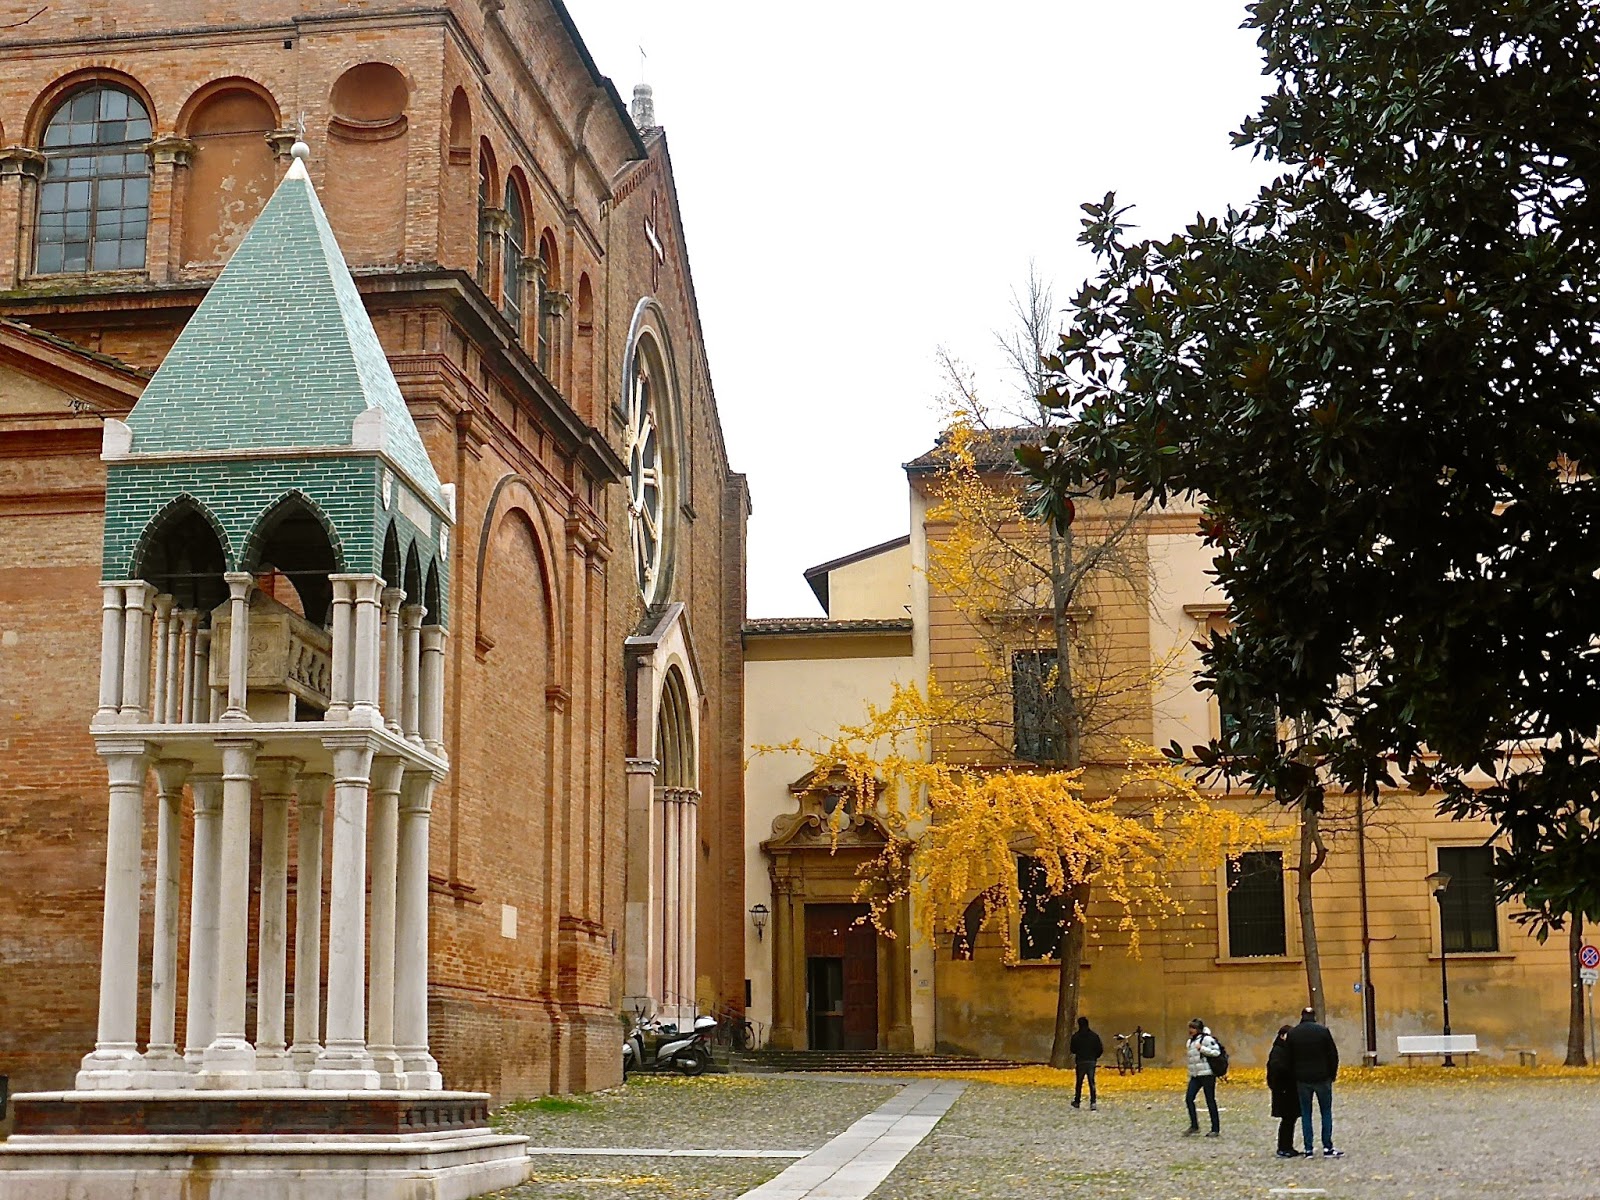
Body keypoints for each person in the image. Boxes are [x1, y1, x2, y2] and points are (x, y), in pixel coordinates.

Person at [1285, 1005, 1344, 1158]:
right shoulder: (1323, 1032)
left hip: (1302, 1079)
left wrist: (1294, 1076)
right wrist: (1332, 1074)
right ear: (1314, 1017)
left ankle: (1308, 1148)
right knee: (1326, 1112)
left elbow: (1289, 1058)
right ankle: (1327, 1146)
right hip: (1322, 1078)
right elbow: (1333, 1055)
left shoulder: (1293, 1033)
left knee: (1306, 1113)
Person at [1183, 1017, 1222, 1137]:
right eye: (1190, 1027)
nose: (1191, 1030)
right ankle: (1194, 1126)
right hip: (1195, 1075)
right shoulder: (1190, 1042)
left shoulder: (1206, 1039)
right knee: (1189, 1098)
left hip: (1207, 1074)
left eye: (1193, 1028)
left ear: (1198, 1029)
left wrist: (1203, 1049)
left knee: (1210, 1100)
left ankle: (1215, 1128)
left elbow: (1216, 1052)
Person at [1266, 1024, 1299, 1158]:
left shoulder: (1284, 1050)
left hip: (1287, 1089)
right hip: (1284, 1090)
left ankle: (1287, 1146)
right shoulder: (1278, 1051)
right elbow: (1277, 1069)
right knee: (1287, 1119)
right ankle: (1283, 1147)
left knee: (1290, 1119)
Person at [1069, 1015, 1103, 1110]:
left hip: (1081, 1061)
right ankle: (1093, 1102)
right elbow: (1100, 1049)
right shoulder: (1094, 1036)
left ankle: (1077, 1101)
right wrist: (1095, 1057)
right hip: (1091, 1061)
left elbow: (1072, 1049)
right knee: (1091, 1082)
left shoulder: (1076, 1036)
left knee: (1079, 1082)